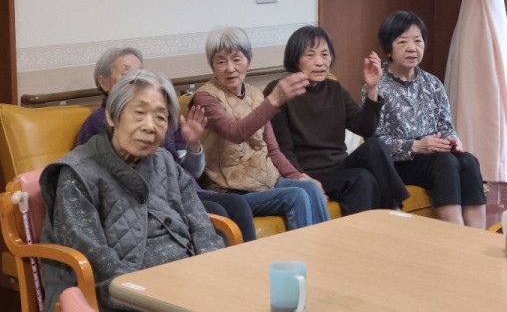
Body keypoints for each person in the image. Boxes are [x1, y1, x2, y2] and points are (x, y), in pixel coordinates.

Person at [40, 70, 225, 311]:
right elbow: (96, 261)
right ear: (112, 116)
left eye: (160, 117)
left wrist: (212, 273)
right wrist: (145, 295)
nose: (150, 126)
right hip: (128, 294)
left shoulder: (165, 162)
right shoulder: (77, 174)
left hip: (186, 282)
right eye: (139, 113)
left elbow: (201, 225)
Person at [78, 47, 257, 241]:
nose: (136, 81)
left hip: (182, 190)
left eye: (141, 74)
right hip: (150, 199)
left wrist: (193, 145)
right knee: (216, 211)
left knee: (236, 204)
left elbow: (192, 172)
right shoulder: (100, 121)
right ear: (104, 83)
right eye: (127, 74)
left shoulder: (161, 116)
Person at [190, 27, 330, 229]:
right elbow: (234, 132)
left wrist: (298, 176)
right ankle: (304, 248)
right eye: (221, 61)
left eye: (236, 59)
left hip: (266, 179)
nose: (230, 68)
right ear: (212, 66)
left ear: (248, 61)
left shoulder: (256, 94)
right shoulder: (204, 98)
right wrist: (274, 100)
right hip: (230, 190)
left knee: (310, 187)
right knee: (296, 195)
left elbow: (273, 150)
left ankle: (325, 245)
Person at [264, 25, 409, 215]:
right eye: (310, 55)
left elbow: (365, 128)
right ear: (295, 58)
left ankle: (395, 208)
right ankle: (375, 225)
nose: (319, 62)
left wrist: (372, 88)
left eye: (325, 54)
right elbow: (283, 150)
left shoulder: (334, 88)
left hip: (338, 166)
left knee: (375, 146)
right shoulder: (280, 91)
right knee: (363, 178)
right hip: (309, 171)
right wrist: (304, 180)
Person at [370, 11, 486, 228]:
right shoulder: (377, 86)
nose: (412, 48)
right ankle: (455, 235)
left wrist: (453, 140)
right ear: (388, 48)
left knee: (468, 161)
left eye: (418, 41)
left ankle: (478, 236)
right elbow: (375, 142)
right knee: (445, 162)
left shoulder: (432, 83)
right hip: (400, 163)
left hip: (434, 157)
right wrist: (416, 146)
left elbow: (445, 125)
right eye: (402, 42)